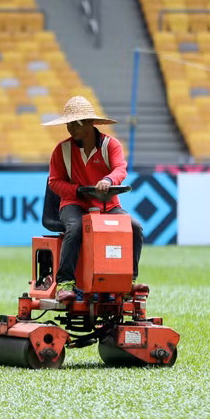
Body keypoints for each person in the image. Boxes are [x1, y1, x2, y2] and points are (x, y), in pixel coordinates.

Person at [43, 96, 146, 304]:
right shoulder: (61, 150)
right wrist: (78, 190)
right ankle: (65, 284)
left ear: (89, 124)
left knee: (134, 227)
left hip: (108, 205)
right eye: (68, 125)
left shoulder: (111, 145)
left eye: (74, 125)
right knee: (76, 228)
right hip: (74, 204)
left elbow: (120, 169)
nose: (70, 130)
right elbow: (55, 182)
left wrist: (108, 180)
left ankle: (128, 281)